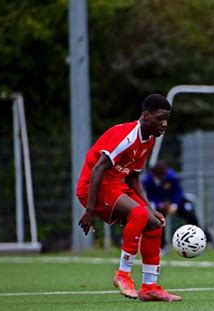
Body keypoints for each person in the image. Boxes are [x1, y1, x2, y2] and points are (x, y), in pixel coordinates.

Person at [75, 94, 181, 302]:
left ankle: (150, 287)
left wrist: (149, 207)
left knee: (154, 222)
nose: (164, 124)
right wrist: (90, 210)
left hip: (115, 185)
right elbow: (98, 169)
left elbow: (133, 178)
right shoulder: (127, 135)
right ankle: (122, 274)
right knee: (139, 214)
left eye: (167, 119)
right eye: (160, 118)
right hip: (93, 187)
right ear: (146, 115)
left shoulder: (148, 140)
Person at [143, 160, 213, 251]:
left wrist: (175, 205)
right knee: (158, 222)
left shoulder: (171, 177)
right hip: (161, 204)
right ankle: (162, 246)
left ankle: (206, 239)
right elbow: (150, 196)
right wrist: (159, 204)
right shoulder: (148, 180)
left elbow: (179, 192)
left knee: (191, 217)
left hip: (176, 202)